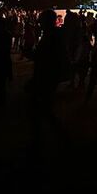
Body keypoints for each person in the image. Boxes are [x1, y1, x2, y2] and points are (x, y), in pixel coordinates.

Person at [28, 10, 68, 148]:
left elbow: (48, 58)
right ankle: (50, 135)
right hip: (47, 76)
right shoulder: (54, 35)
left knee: (42, 108)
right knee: (43, 108)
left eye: (41, 20)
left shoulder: (52, 36)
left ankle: (41, 139)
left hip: (47, 76)